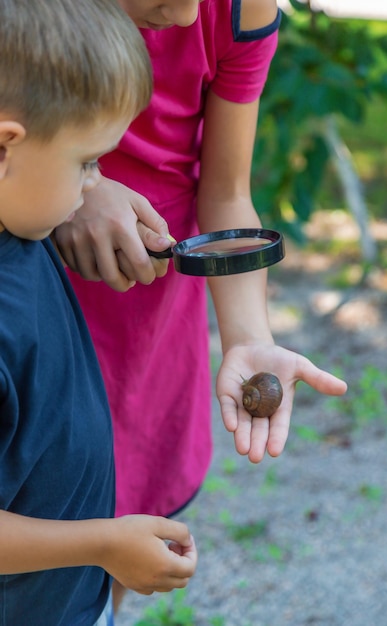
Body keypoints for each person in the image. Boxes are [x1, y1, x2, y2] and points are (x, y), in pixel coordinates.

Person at [55, 0, 347, 610]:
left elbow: (227, 190)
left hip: (149, 316)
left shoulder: (241, 11)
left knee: (121, 530)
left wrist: (247, 336)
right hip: (36, 295)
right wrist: (79, 182)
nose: (188, 18)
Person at [0, 1, 198, 625]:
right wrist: (101, 544)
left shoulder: (24, 231)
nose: (96, 185)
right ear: (6, 146)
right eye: (88, 161)